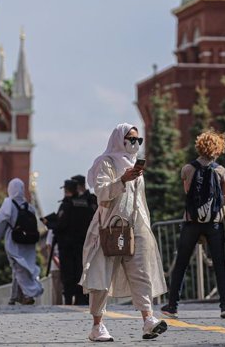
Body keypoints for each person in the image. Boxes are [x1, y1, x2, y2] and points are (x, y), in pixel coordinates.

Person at [80, 124, 167, 342]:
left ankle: (148, 320)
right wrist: (122, 180)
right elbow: (101, 193)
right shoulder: (106, 162)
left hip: (135, 227)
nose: (135, 144)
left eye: (139, 140)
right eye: (131, 139)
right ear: (120, 139)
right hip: (109, 227)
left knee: (141, 272)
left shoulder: (135, 168)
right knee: (101, 277)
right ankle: (97, 325)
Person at [161, 130, 225, 320]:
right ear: (218, 148)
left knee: (182, 264)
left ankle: (172, 306)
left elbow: (187, 192)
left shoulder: (187, 169)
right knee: (220, 264)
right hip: (214, 223)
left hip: (191, 222)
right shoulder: (221, 171)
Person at [0, 178, 43, 305]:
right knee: (23, 268)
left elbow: (0, 226)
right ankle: (15, 296)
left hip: (14, 242)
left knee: (18, 269)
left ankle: (28, 294)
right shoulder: (29, 207)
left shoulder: (8, 204)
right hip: (29, 243)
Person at [55, 179, 94, 305]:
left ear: (67, 191)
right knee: (80, 272)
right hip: (82, 245)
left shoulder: (66, 205)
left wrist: (50, 224)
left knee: (68, 275)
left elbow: (60, 224)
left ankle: (68, 300)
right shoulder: (85, 203)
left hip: (67, 247)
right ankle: (80, 299)